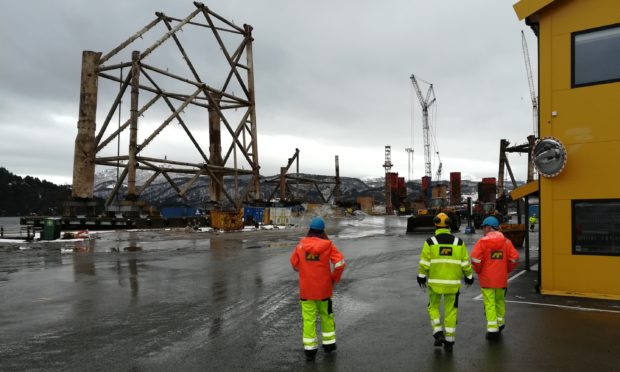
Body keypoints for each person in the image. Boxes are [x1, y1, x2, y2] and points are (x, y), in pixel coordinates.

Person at [290, 216, 346, 361]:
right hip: (324, 291)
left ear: (310, 230)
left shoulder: (301, 246)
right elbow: (340, 263)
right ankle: (328, 345)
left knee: (308, 320)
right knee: (326, 316)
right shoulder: (328, 245)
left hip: (306, 291)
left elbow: (295, 265)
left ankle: (310, 351)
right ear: (322, 231)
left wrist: (305, 267)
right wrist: (334, 278)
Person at [417, 212, 474, 352]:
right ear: (449, 225)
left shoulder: (430, 242)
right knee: (451, 312)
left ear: (435, 224)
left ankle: (437, 332)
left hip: (435, 285)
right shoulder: (458, 243)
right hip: (453, 285)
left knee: (433, 308)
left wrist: (421, 276)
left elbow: (424, 263)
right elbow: (465, 263)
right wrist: (469, 276)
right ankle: (449, 342)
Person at [470, 216, 520, 341]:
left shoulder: (482, 242)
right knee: (499, 302)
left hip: (487, 280)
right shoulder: (506, 242)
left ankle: (492, 330)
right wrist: (506, 269)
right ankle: (500, 323)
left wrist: (479, 270)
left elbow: (475, 260)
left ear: (488, 227)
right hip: (501, 279)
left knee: (489, 304)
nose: (482, 230)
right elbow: (514, 259)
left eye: (483, 227)